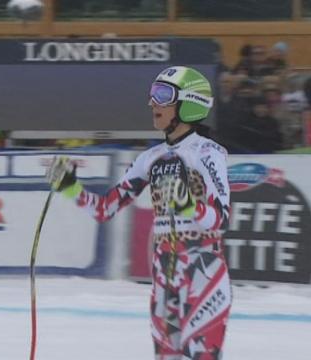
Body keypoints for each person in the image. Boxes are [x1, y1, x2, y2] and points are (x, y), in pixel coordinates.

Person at [46, 66, 232, 359]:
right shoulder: (150, 158)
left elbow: (220, 220)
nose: (152, 103)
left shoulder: (208, 152)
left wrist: (186, 203)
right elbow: (105, 209)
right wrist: (69, 187)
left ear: (189, 102)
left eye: (162, 95)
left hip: (202, 273)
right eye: (152, 94)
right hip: (165, 274)